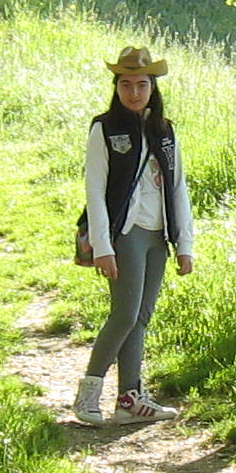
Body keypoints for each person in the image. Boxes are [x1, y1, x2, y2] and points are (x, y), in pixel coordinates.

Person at [77, 45, 196, 427]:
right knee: (124, 314)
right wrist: (103, 246)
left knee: (140, 317)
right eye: (125, 84)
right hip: (124, 234)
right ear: (116, 87)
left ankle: (130, 398)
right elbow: (94, 190)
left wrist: (185, 244)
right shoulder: (105, 128)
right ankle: (88, 394)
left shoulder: (164, 131)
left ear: (153, 87)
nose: (134, 92)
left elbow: (178, 187)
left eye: (141, 84)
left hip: (157, 234)